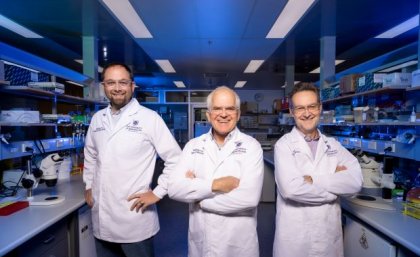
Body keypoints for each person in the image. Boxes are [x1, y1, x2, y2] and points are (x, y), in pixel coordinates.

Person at [83, 62, 181, 257]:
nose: (117, 88)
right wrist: (88, 185)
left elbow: (176, 159)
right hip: (102, 215)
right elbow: (91, 154)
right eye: (111, 82)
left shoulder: (149, 119)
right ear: (104, 86)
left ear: (132, 86)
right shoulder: (97, 119)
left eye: (123, 82)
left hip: (133, 217)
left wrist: (158, 193)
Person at [168, 86, 264, 257]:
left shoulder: (251, 146)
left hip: (238, 243)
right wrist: (215, 185)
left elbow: (249, 198)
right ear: (208, 114)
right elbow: (174, 188)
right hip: (202, 240)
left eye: (230, 109)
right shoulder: (193, 146)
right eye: (217, 108)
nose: (224, 114)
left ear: (238, 114)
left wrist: (199, 198)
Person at [273, 83, 363, 257]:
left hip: (328, 237)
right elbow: (292, 190)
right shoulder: (284, 146)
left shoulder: (333, 145)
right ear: (292, 112)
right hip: (295, 238)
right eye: (300, 108)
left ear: (320, 108)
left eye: (312, 106)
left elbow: (355, 182)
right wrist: (334, 190)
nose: (307, 113)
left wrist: (313, 180)